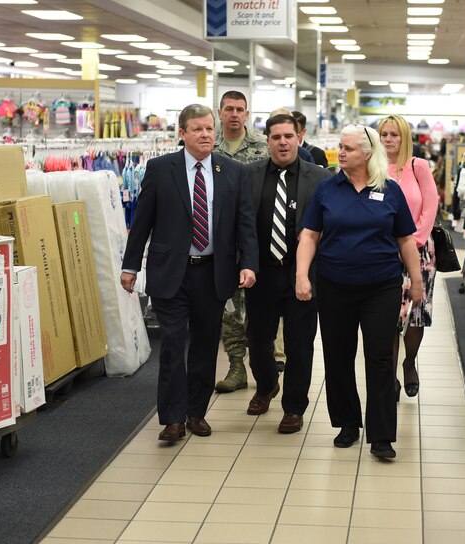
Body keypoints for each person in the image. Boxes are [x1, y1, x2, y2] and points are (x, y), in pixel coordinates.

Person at [120, 103, 258, 442]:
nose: (206, 134)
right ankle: (172, 419)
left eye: (210, 128)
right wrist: (130, 265)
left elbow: (245, 225)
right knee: (173, 343)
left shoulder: (232, 172)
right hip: (171, 272)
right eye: (198, 129)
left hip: (213, 273)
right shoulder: (159, 168)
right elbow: (143, 222)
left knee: (205, 344)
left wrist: (249, 263)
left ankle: (196, 413)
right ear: (182, 133)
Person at [296, 125, 423, 460]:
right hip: (334, 284)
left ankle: (382, 435)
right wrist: (302, 275)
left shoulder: (389, 190)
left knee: (380, 357)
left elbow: (406, 240)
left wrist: (417, 280)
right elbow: (309, 236)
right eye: (340, 147)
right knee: (338, 355)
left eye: (348, 148)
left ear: (367, 153)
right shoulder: (327, 189)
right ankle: (348, 423)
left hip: (381, 285)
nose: (341, 153)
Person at [243, 113, 332, 433]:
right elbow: (243, 225)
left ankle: (294, 407)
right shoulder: (250, 175)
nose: (282, 142)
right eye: (276, 137)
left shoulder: (320, 177)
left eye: (288, 136)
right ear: (267, 140)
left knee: (299, 345)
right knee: (258, 339)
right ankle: (267, 386)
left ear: (299, 138)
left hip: (303, 274)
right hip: (262, 273)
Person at [379, 115, 438, 400]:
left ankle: (409, 362)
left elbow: (430, 206)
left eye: (394, 135)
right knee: (389, 316)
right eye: (384, 134)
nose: (388, 139)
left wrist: (412, 242)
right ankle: (389, 375)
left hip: (419, 251)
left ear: (404, 138)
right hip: (384, 252)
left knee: (416, 315)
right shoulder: (373, 168)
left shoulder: (419, 166)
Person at [212, 91, 268, 393]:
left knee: (259, 307)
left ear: (247, 114)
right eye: (229, 109)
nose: (235, 114)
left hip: (256, 238)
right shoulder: (210, 147)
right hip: (219, 241)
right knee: (229, 307)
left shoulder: (262, 147)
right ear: (220, 112)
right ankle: (236, 366)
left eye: (240, 110)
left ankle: (264, 364)